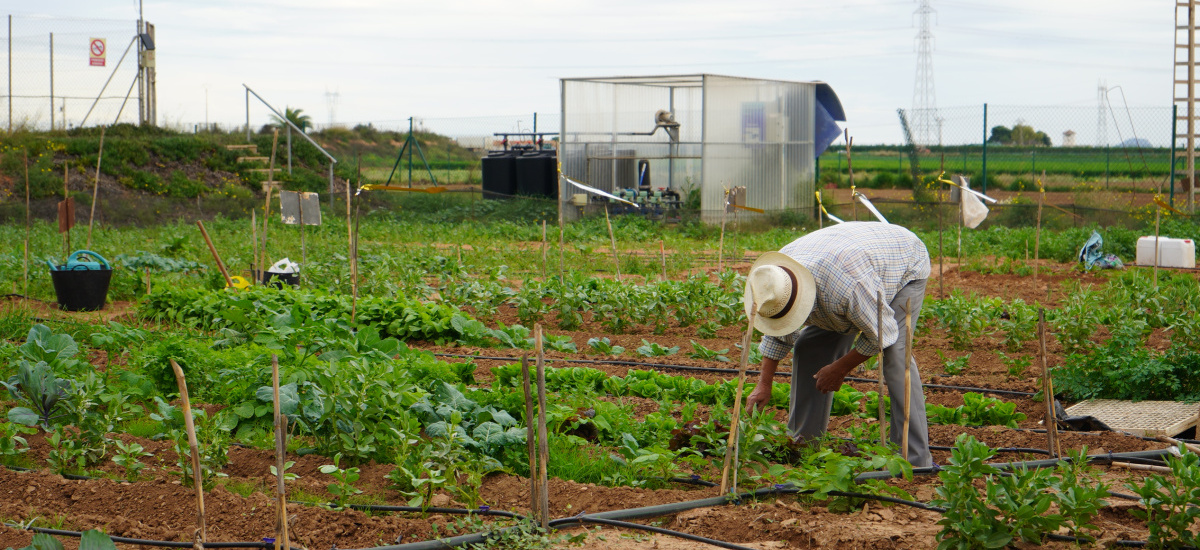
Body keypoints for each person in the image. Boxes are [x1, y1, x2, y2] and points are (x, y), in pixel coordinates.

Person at [743, 222, 932, 466]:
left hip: (903, 265)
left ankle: (913, 459)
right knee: (809, 346)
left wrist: (840, 368)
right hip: (848, 264)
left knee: (895, 356)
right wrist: (763, 384)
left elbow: (883, 334)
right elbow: (779, 331)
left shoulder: (848, 288)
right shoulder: (778, 278)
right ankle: (802, 444)